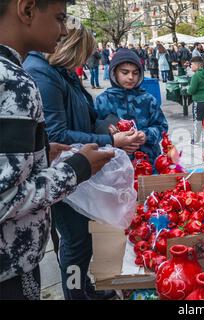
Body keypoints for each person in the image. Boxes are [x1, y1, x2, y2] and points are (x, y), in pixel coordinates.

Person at [0, 0, 114, 300]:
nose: (64, 29)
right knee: (75, 244)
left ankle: (82, 290)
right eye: (60, 18)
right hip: (10, 268)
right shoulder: (16, 81)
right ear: (26, 10)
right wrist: (77, 167)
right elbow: (6, 198)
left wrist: (41, 154)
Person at [23, 22, 143, 300]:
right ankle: (76, 293)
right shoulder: (43, 74)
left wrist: (107, 127)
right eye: (85, 53)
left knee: (83, 239)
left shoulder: (62, 73)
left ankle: (85, 287)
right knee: (74, 242)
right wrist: (112, 142)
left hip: (79, 170)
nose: (87, 60)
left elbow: (86, 114)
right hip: (64, 171)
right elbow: (57, 133)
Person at [96, 48, 168, 166]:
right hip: (115, 166)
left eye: (135, 73)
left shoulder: (148, 99)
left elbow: (162, 126)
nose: (131, 77)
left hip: (148, 163)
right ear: (114, 73)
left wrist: (146, 135)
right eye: (125, 72)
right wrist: (115, 140)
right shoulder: (103, 100)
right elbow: (95, 133)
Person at [185, 56, 204, 144]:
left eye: (191, 65)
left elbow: (191, 91)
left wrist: (187, 89)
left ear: (196, 65)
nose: (190, 67)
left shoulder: (196, 76)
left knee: (198, 121)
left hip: (200, 101)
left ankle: (196, 139)